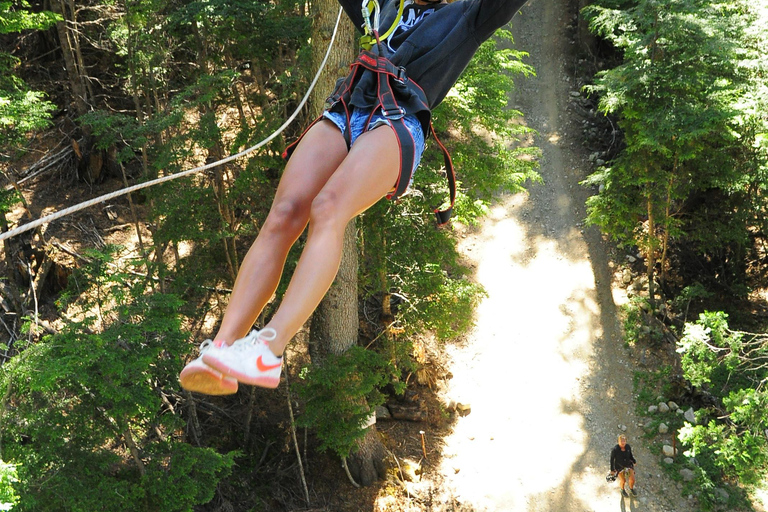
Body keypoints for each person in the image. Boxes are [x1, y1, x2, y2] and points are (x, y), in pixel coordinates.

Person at [179, 0, 529, 395]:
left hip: (398, 120)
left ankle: (268, 349)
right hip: (348, 109)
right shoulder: (383, 5)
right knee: (285, 213)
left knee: (328, 208)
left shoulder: (471, 13)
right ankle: (222, 353)